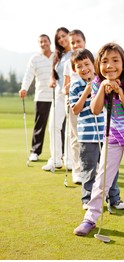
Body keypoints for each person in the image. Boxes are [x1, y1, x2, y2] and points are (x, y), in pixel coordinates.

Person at [73, 42, 124, 246]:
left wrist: (120, 93)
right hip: (112, 138)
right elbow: (96, 110)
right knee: (102, 181)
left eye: (115, 60)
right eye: (105, 61)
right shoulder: (97, 82)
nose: (110, 66)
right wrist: (102, 90)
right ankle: (90, 219)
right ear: (99, 64)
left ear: (123, 63)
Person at [69, 48, 124, 210]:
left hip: (106, 134)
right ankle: (87, 199)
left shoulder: (102, 83)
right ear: (75, 70)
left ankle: (113, 198)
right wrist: (86, 91)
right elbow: (75, 110)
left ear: (93, 65)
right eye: (79, 66)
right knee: (89, 169)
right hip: (87, 137)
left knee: (110, 168)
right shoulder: (75, 86)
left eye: (87, 64)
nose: (84, 68)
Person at [19, 34, 54, 161]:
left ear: (50, 42)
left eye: (45, 41)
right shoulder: (35, 58)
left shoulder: (57, 56)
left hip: (57, 96)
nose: (43, 43)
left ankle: (60, 153)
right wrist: (24, 88)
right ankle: (35, 151)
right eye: (41, 42)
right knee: (40, 125)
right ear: (39, 44)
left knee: (58, 126)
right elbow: (29, 74)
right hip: (41, 96)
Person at [42, 27, 72, 171]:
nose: (61, 39)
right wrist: (52, 79)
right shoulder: (58, 55)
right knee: (53, 126)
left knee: (71, 130)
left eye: (63, 36)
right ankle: (55, 160)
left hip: (72, 95)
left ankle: (70, 160)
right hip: (59, 94)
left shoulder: (76, 53)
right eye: (59, 38)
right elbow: (53, 72)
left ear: (69, 35)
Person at [63, 30, 86, 184]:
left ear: (84, 41)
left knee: (93, 138)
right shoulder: (67, 64)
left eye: (78, 41)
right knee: (76, 138)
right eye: (73, 43)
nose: (76, 44)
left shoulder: (92, 60)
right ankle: (77, 171)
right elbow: (65, 87)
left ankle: (93, 168)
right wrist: (71, 87)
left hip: (92, 103)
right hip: (74, 103)